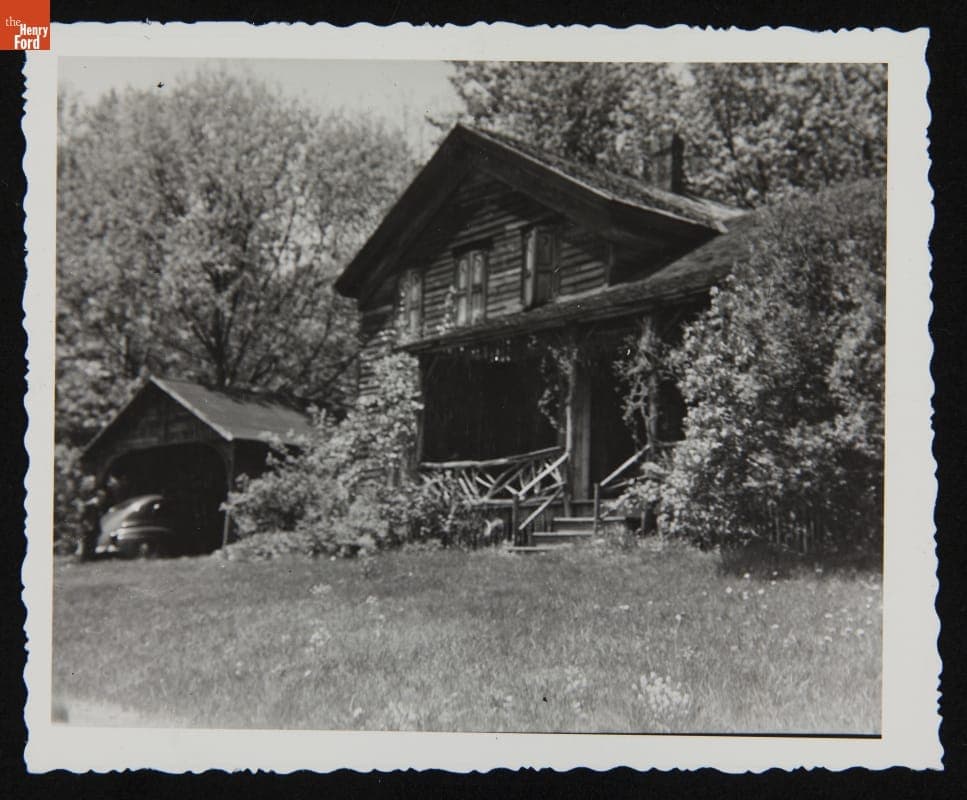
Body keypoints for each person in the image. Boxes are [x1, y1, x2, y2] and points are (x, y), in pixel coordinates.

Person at [77, 487, 109, 561]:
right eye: (103, 497)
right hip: (89, 527)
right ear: (98, 496)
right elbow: (83, 517)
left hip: (94, 527)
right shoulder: (90, 505)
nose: (104, 499)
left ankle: (91, 557)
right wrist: (87, 525)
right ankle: (85, 558)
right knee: (88, 542)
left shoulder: (97, 504)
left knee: (93, 542)